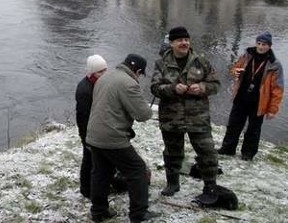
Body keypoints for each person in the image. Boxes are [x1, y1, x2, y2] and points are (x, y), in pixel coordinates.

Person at [151, 26, 220, 197]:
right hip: (171, 118)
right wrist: (174, 88)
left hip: (198, 118)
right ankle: (172, 184)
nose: (184, 43)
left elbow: (216, 84)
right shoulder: (161, 63)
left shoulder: (201, 61)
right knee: (172, 153)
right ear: (172, 43)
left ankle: (210, 186)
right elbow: (154, 88)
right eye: (180, 40)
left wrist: (202, 87)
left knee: (207, 152)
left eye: (186, 40)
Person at [86, 54, 157, 223]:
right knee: (137, 170)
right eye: (140, 74)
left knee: (101, 173)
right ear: (138, 71)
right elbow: (143, 115)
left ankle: (99, 211)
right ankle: (139, 214)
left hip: (94, 134)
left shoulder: (105, 77)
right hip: (113, 137)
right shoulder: (129, 83)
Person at [218, 32, 284, 161]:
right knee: (233, 125)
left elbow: (278, 89)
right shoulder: (247, 55)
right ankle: (227, 149)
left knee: (253, 130)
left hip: (259, 102)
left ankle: (248, 154)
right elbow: (235, 68)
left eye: (263, 44)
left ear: (269, 46)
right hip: (241, 98)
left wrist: (272, 109)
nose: (260, 47)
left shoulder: (275, 64)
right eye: (258, 43)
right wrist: (235, 72)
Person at [75, 54, 109, 199]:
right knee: (89, 159)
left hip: (97, 129)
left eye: (105, 70)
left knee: (94, 160)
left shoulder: (97, 84)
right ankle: (86, 189)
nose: (104, 74)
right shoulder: (85, 90)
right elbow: (82, 117)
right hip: (89, 132)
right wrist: (85, 138)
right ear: (92, 73)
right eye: (100, 72)